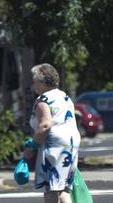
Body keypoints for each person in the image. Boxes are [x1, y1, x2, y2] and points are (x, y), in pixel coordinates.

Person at [29, 63, 79, 203]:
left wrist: (31, 146)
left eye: (33, 81)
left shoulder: (43, 99)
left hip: (54, 146)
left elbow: (45, 125)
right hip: (70, 143)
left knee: (50, 188)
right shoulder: (64, 96)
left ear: (41, 82)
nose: (32, 85)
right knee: (62, 188)